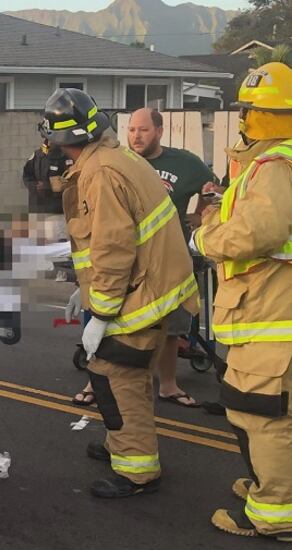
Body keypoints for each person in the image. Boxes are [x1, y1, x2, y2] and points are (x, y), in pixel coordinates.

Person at [42, 88, 199, 498]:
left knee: (116, 379)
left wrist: (102, 313)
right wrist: (86, 290)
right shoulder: (113, 158)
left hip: (138, 294)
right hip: (152, 287)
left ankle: (136, 472)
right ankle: (121, 445)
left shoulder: (100, 173)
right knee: (130, 376)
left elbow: (112, 249)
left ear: (62, 140)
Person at [191, 62, 292, 541]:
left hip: (273, 315)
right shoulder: (272, 163)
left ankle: (273, 514)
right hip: (271, 311)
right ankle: (267, 486)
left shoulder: (276, 165)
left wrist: (206, 240)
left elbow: (260, 231)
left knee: (262, 415)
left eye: (247, 110)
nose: (243, 118)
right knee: (267, 411)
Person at [71, 107, 218, 408]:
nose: (136, 136)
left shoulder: (184, 163)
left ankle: (168, 384)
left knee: (171, 328)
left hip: (169, 260)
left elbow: (213, 189)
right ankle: (95, 382)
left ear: (160, 131)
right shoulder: (122, 162)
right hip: (132, 264)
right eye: (132, 130)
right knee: (115, 327)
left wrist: (201, 215)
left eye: (144, 130)